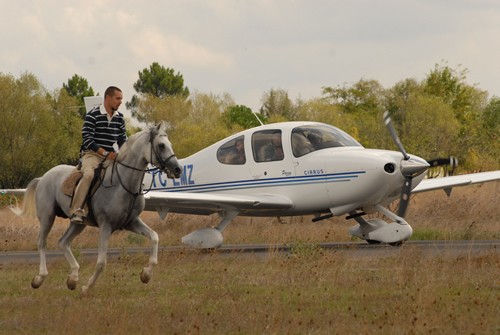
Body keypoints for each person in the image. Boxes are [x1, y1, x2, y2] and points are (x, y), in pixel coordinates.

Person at [69, 86, 128, 224]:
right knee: (89, 175)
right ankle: (76, 211)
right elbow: (87, 140)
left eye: (121, 99)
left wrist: (124, 154)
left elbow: (122, 140)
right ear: (108, 98)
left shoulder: (120, 118)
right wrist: (106, 153)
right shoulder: (92, 115)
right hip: (91, 154)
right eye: (118, 98)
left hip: (110, 156)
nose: (120, 102)